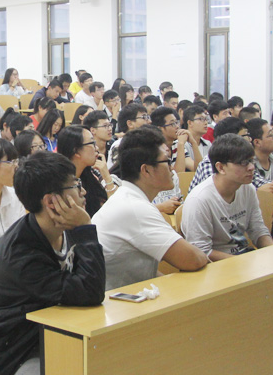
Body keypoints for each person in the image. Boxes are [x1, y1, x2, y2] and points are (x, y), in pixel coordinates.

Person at [0, 151, 105, 375]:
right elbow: (91, 291)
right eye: (75, 185)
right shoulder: (20, 252)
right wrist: (86, 230)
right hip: (14, 352)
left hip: (53, 333)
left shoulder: (65, 227)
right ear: (52, 201)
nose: (83, 192)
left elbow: (90, 286)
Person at [92, 126, 207, 290]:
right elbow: (194, 259)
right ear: (146, 170)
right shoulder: (133, 208)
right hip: (112, 308)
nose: (172, 169)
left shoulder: (130, 198)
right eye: (166, 161)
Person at [182, 134, 273, 261]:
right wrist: (240, 262)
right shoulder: (199, 200)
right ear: (220, 167)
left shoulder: (248, 188)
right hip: (214, 267)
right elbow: (201, 251)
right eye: (243, 163)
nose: (251, 167)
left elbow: (258, 231)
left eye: (252, 161)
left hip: (243, 258)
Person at [189, 117, 273, 194]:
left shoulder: (245, 161)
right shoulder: (210, 163)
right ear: (231, 139)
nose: (250, 139)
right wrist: (258, 191)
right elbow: (216, 194)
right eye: (246, 135)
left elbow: (260, 183)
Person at [57, 125, 117, 217]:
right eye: (92, 143)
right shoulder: (63, 186)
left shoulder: (89, 175)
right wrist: (107, 178)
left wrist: (107, 176)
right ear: (76, 151)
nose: (96, 148)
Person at [150, 107, 197, 172]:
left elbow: (197, 169)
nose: (177, 126)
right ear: (160, 129)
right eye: (172, 124)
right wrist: (181, 144)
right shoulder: (157, 149)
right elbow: (177, 176)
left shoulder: (176, 145)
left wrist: (193, 143)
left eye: (176, 122)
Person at [107, 103, 149, 169]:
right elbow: (121, 174)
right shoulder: (119, 146)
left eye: (147, 117)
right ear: (130, 124)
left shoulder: (146, 143)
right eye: (144, 117)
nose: (149, 121)